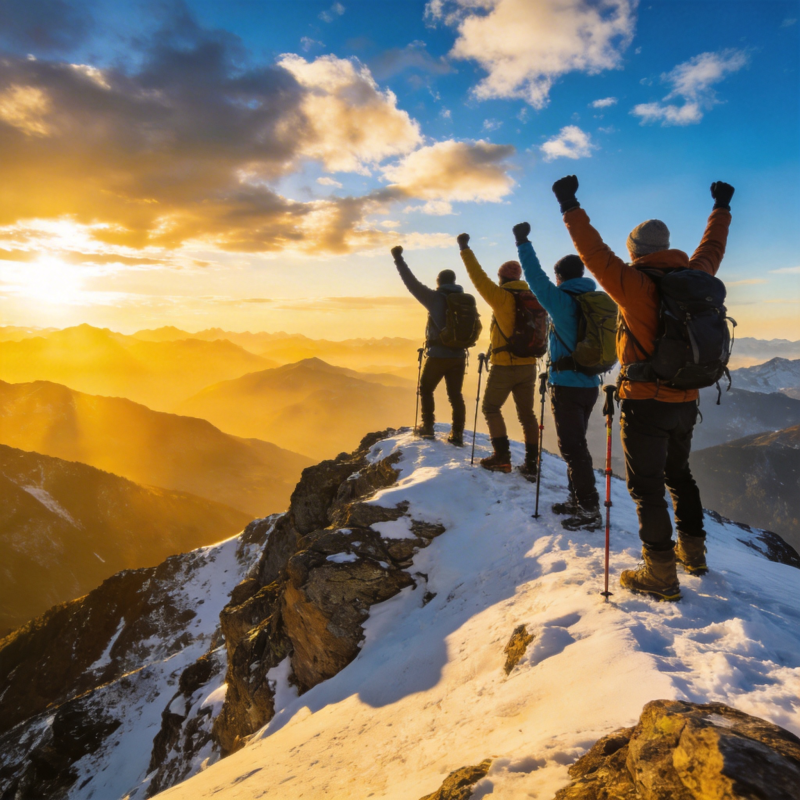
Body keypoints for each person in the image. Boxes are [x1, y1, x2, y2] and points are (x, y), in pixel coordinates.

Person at [551, 175, 734, 601]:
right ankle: (694, 553)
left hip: (645, 402)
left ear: (635, 251)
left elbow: (592, 251)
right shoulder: (697, 274)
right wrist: (721, 207)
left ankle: (660, 572)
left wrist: (568, 203)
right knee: (680, 475)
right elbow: (713, 247)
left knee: (646, 486)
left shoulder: (633, 286)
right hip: (687, 398)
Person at [510, 222, 602, 530]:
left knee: (573, 448)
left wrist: (522, 241)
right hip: (591, 384)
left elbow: (534, 277)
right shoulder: (598, 301)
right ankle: (577, 499)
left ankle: (589, 509)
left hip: (567, 385)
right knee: (576, 444)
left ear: (560, 277)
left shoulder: (561, 302)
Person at [456, 232, 540, 475]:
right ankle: (532, 464)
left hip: (505, 365)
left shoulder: (501, 296)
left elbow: (477, 276)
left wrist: (464, 248)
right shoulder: (533, 297)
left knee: (491, 408)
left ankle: (502, 458)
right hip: (529, 365)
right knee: (527, 415)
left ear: (502, 278)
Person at [391, 245, 467, 444]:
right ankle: (457, 434)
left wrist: (398, 259)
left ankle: (428, 427)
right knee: (455, 395)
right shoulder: (466, 300)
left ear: (439, 283)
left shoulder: (434, 298)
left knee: (425, 389)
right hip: (460, 355)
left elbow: (411, 282)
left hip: (438, 355)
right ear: (454, 282)